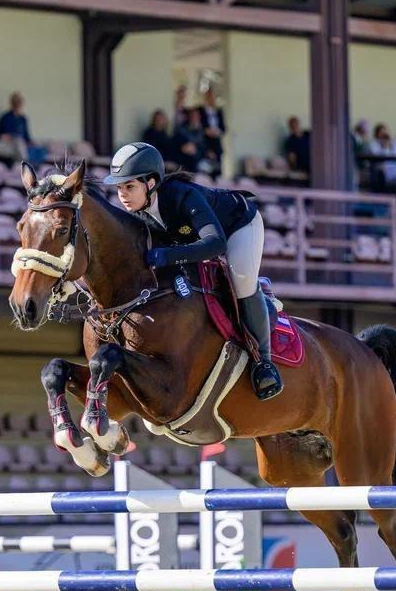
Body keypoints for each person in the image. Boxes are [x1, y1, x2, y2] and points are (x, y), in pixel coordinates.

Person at [104, 142, 282, 400]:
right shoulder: (139, 214)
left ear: (151, 183)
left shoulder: (182, 196)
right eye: (119, 187)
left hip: (238, 227)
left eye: (129, 186)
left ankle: (264, 363)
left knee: (241, 282)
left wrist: (167, 255)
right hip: (193, 241)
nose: (122, 195)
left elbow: (215, 244)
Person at [196, 88, 226, 164]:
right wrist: (206, 131)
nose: (210, 98)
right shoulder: (200, 110)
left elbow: (223, 128)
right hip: (205, 142)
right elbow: (196, 124)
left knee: (217, 166)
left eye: (212, 96)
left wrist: (217, 132)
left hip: (216, 143)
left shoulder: (219, 111)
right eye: (208, 96)